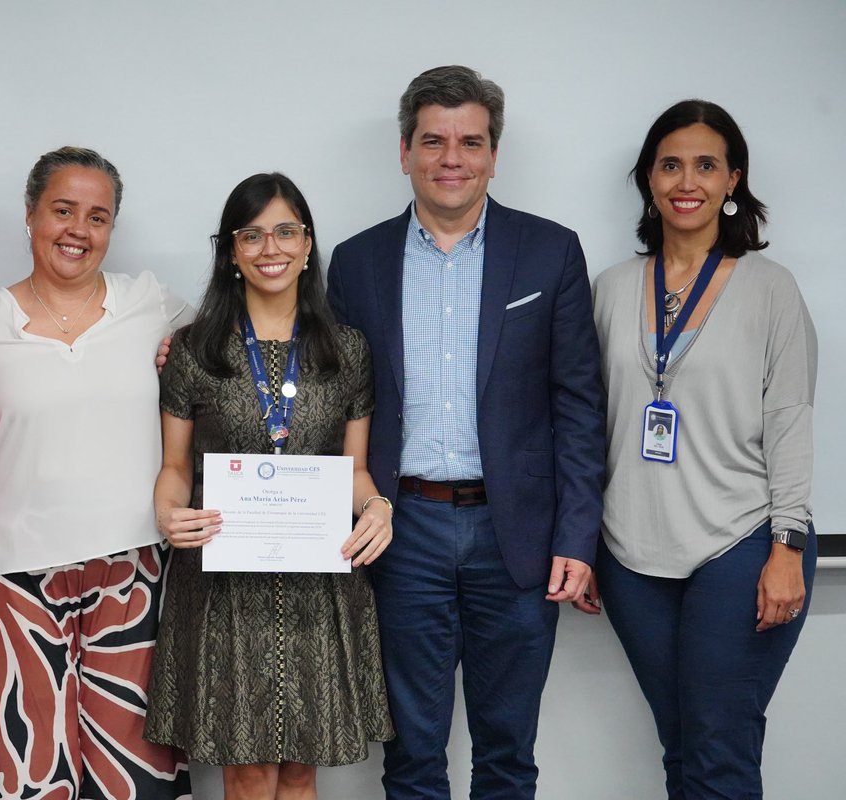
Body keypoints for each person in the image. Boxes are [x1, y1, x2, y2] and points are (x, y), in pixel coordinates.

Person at [325, 65, 606, 798]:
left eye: (471, 142)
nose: (453, 158)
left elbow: (578, 406)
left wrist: (577, 536)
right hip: (401, 531)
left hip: (515, 536)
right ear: (405, 151)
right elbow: (329, 391)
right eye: (434, 141)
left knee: (508, 752)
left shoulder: (550, 252)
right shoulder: (357, 263)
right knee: (412, 753)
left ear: (492, 153)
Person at [584, 99, 817, 798]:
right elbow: (586, 425)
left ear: (732, 180)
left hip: (741, 545)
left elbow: (792, 421)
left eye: (706, 165)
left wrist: (787, 545)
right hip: (630, 553)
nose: (688, 181)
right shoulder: (612, 288)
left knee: (719, 750)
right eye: (671, 164)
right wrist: (580, 537)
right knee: (683, 746)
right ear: (649, 181)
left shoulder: (771, 290)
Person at [145, 172, 395, 800]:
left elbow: (355, 468)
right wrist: (167, 512)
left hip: (318, 580)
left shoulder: (348, 351)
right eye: (251, 235)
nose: (270, 248)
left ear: (308, 244)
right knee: (248, 769)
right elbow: (175, 468)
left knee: (300, 769)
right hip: (225, 582)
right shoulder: (195, 350)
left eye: (286, 231)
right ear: (231, 251)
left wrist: (376, 508)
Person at [0, 146, 193, 799]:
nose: (79, 229)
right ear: (31, 214)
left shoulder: (150, 304)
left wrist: (189, 347)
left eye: (98, 217)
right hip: (14, 578)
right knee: (26, 775)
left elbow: (236, 344)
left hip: (134, 575)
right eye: (62, 210)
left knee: (136, 775)